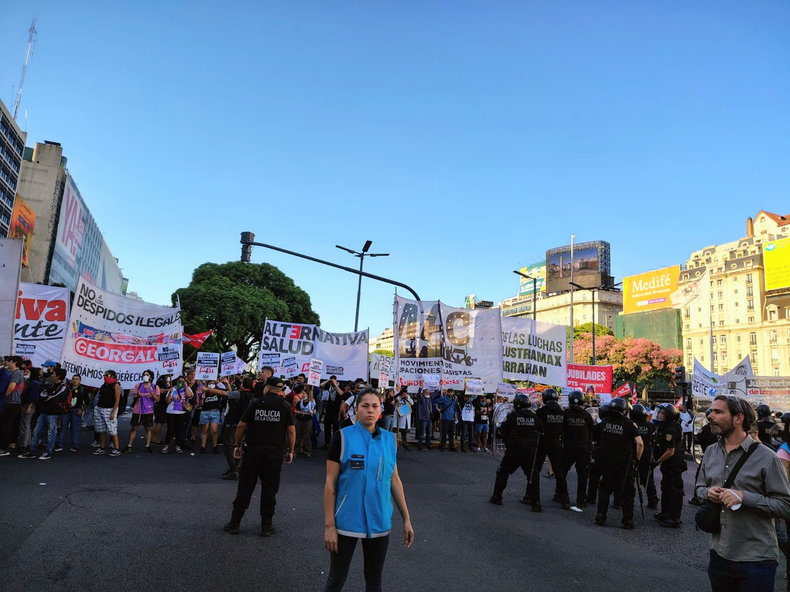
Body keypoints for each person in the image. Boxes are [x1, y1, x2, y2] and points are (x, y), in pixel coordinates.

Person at [323, 388, 414, 592]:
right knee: (336, 580)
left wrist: (406, 519)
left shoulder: (390, 440)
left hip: (379, 520)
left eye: (375, 406)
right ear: (356, 409)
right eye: (365, 406)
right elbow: (330, 485)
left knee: (374, 582)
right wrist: (329, 527)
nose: (370, 410)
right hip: (346, 520)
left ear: (381, 410)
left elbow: (395, 480)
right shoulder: (342, 437)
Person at [697, 395, 790, 591]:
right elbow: (699, 489)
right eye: (710, 411)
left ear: (738, 418)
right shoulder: (711, 452)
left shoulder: (767, 457)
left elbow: (785, 506)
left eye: (718, 412)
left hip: (756, 559)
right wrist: (708, 493)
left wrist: (744, 497)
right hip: (719, 554)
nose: (710, 416)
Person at [224, 377, 295, 537]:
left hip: (252, 451)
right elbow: (291, 430)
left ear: (268, 388)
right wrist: (290, 450)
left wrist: (237, 445)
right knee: (270, 489)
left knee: (245, 487)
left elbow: (242, 425)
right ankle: (266, 526)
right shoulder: (284, 406)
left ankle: (235, 523)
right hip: (274, 453)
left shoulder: (255, 403)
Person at [594, 397, 643, 529]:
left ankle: (601, 516)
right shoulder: (628, 424)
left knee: (604, 490)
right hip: (624, 464)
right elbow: (640, 443)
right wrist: (637, 460)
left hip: (607, 462)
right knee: (627, 492)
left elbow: (594, 439)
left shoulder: (604, 422)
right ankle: (627, 520)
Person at [489, 394, 544, 510]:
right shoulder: (535, 418)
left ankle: (497, 497)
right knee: (533, 476)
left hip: (514, 450)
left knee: (503, 472)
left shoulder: (512, 416)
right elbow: (541, 432)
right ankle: (536, 503)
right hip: (530, 451)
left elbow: (500, 432)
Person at [19, 368, 71, 460]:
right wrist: (47, 397)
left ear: (58, 376)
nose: (52, 375)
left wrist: (47, 397)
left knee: (51, 433)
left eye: (54, 373)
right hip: (44, 412)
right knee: (36, 431)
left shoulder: (64, 387)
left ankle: (48, 452)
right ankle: (32, 451)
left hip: (53, 413)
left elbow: (55, 399)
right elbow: (42, 395)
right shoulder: (51, 386)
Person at [530, 388, 569, 509]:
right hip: (556, 443)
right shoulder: (562, 413)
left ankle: (535, 501)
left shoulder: (541, 412)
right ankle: (565, 500)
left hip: (542, 443)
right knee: (559, 472)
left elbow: (536, 428)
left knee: (535, 471)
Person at [652, 402, 687, 528]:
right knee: (665, 487)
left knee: (674, 490)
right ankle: (665, 512)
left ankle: (674, 518)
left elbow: (670, 451)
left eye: (663, 413)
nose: (660, 415)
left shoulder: (670, 430)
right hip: (668, 465)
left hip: (673, 464)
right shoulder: (665, 426)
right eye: (660, 412)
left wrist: (657, 462)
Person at [562, 391, 595, 508]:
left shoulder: (566, 413)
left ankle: (563, 498)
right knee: (582, 475)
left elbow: (561, 429)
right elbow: (592, 430)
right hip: (583, 447)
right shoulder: (586, 415)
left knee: (563, 472)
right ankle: (581, 499)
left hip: (568, 447)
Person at [220, 376, 253, 479]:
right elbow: (231, 395)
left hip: (233, 423)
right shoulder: (251, 396)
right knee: (239, 445)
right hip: (245, 424)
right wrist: (227, 385)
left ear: (243, 385)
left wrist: (208, 389)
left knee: (228, 445)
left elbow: (225, 394)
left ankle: (233, 468)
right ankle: (235, 467)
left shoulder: (240, 394)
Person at [124, 369, 160, 454]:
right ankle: (129, 445)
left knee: (147, 428)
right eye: (144, 374)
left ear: (151, 377)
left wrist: (152, 394)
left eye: (147, 375)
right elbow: (134, 397)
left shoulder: (155, 387)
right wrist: (138, 396)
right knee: (134, 428)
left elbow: (158, 399)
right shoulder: (138, 385)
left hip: (148, 410)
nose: (145, 376)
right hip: (138, 410)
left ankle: (147, 446)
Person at [630, 404, 659, 510]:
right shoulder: (650, 426)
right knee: (648, 479)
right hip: (646, 454)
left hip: (633, 454)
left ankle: (623, 500)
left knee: (629, 478)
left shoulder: (631, 424)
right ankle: (653, 500)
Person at [57, 374, 90, 453]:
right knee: (63, 428)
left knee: (74, 428)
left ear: (80, 381)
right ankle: (59, 444)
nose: (75, 381)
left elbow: (87, 401)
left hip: (76, 410)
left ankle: (74, 445)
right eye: (73, 379)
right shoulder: (67, 388)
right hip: (66, 410)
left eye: (77, 379)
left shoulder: (82, 389)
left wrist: (82, 410)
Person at [93, 370, 122, 456]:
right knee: (101, 429)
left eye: (107, 375)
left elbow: (117, 399)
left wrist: (113, 412)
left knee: (112, 429)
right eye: (105, 375)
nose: (105, 376)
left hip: (109, 409)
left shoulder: (116, 385)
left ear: (112, 376)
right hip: (100, 407)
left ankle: (116, 448)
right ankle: (102, 447)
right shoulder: (104, 385)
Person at [0, 355, 25, 455]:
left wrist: (2, 397)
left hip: (12, 403)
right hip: (9, 402)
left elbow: (10, 388)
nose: (7, 363)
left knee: (6, 425)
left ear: (14, 362)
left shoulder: (16, 373)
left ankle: (4, 448)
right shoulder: (12, 373)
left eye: (9, 361)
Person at [586, 403, 609, 506]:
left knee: (594, 476)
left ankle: (591, 497)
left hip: (599, 453)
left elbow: (593, 440)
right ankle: (618, 501)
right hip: (612, 454)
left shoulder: (598, 427)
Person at [162, 376, 192, 454]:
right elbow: (167, 401)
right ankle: (166, 445)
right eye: (179, 381)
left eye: (183, 381)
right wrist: (170, 392)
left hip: (181, 412)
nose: (181, 383)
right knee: (170, 429)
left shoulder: (187, 388)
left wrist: (186, 386)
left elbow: (189, 396)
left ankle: (177, 446)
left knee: (179, 429)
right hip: (171, 412)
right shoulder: (173, 389)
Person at [16, 367, 41, 455]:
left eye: (27, 372)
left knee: (24, 425)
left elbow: (33, 397)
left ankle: (24, 445)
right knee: (27, 425)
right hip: (28, 405)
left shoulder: (34, 383)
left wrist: (29, 407)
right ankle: (27, 443)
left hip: (29, 405)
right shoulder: (33, 383)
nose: (26, 373)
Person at [199, 379, 228, 454]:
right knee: (204, 430)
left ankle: (214, 446)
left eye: (213, 383)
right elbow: (201, 404)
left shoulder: (217, 391)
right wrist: (202, 398)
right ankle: (203, 447)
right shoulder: (204, 392)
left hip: (215, 412)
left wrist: (227, 383)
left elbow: (226, 392)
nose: (211, 384)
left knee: (214, 430)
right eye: (210, 383)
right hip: (205, 412)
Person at [321, 376, 342, 449]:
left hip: (336, 410)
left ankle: (335, 443)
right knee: (327, 427)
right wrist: (328, 380)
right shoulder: (328, 386)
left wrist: (336, 385)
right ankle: (327, 443)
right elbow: (321, 385)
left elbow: (341, 393)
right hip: (328, 409)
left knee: (336, 428)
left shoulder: (340, 386)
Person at [295, 385, 316, 458]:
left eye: (304, 393)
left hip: (307, 419)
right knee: (298, 435)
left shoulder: (312, 402)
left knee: (307, 436)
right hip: (299, 419)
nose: (302, 395)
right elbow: (296, 410)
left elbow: (314, 411)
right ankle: (296, 451)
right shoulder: (300, 402)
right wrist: (299, 412)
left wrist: (310, 412)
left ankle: (307, 451)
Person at [152, 374, 172, 445]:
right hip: (161, 404)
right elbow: (160, 390)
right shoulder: (161, 381)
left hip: (161, 404)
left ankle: (154, 438)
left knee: (157, 422)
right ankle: (157, 438)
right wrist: (169, 390)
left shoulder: (165, 381)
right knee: (160, 422)